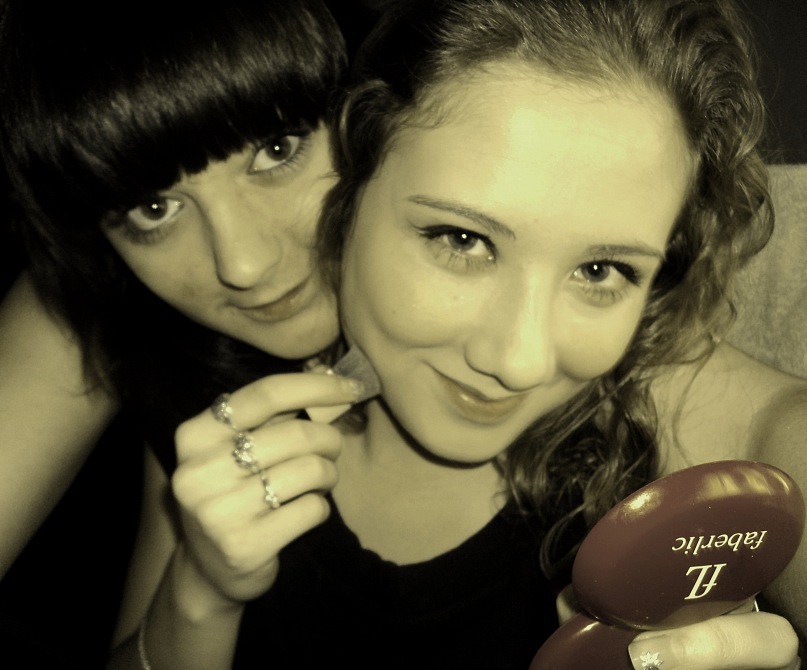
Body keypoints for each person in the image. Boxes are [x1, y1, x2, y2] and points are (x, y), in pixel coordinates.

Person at [108, 0, 807, 668]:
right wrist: (200, 593)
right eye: (462, 239)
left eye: (601, 270)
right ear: (348, 188)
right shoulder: (219, 400)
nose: (519, 361)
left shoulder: (662, 450)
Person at [0, 0, 381, 662]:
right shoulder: (119, 311)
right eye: (154, 209)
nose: (243, 265)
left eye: (276, 150)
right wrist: (200, 594)